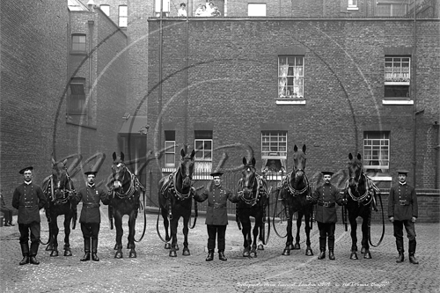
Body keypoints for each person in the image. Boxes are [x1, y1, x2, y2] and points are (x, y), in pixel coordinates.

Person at [193, 172, 238, 261]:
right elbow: (201, 199)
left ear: (221, 180)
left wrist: (240, 195)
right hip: (211, 216)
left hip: (221, 216)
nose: (217, 180)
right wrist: (194, 193)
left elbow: (233, 199)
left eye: (218, 179)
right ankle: (210, 253)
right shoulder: (208, 191)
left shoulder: (226, 191)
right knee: (211, 236)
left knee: (221, 236)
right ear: (213, 180)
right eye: (215, 179)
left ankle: (221, 253)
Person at [12, 166, 47, 265]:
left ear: (32, 175)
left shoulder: (37, 188)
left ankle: (33, 256)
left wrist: (36, 208)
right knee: (23, 237)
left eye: (29, 174)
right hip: (23, 216)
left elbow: (43, 200)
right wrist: (23, 208)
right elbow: (14, 203)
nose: (27, 175)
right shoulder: (18, 189)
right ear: (23, 176)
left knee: (35, 237)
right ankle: (25, 256)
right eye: (26, 174)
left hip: (34, 216)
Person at [307, 171, 345, 260]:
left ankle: (331, 252)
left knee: (331, 235)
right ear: (323, 178)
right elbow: (314, 200)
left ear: (331, 178)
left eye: (328, 177)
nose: (327, 179)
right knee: (322, 235)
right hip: (321, 214)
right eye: (325, 177)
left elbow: (339, 201)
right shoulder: (319, 189)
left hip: (331, 214)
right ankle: (322, 252)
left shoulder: (335, 189)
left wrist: (343, 201)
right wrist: (310, 199)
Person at [73, 171, 110, 262]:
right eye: (89, 177)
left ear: (95, 178)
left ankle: (94, 253)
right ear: (87, 179)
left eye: (93, 177)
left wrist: (110, 195)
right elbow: (75, 202)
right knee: (86, 236)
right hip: (85, 215)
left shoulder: (99, 190)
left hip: (95, 215)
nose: (91, 178)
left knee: (94, 235)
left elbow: (106, 201)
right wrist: (71, 196)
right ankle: (86, 253)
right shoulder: (82, 190)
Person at [388, 170, 419, 264]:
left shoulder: (411, 188)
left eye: (403, 176)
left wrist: (414, 215)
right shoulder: (394, 188)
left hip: (408, 214)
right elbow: (390, 203)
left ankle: (411, 255)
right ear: (398, 177)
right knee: (398, 235)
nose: (402, 177)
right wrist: (391, 215)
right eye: (400, 176)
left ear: (406, 177)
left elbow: (415, 203)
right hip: (397, 214)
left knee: (412, 235)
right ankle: (400, 254)